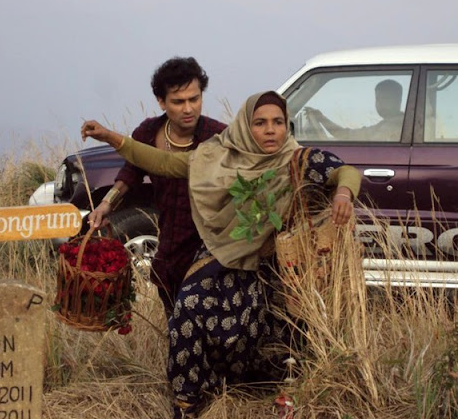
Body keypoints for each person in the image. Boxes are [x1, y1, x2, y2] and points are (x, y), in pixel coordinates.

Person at [81, 91, 361, 419]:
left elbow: (345, 172)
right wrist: (111, 137)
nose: (271, 130)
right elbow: (165, 163)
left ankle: (270, 388)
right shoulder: (222, 156)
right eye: (260, 123)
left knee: (271, 326)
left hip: (274, 265)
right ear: (245, 126)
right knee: (188, 308)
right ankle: (187, 400)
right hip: (223, 251)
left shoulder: (298, 159)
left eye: (278, 122)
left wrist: (343, 194)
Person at [87, 57, 226, 317]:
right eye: (178, 101)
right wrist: (107, 204)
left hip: (207, 251)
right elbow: (132, 170)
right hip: (169, 250)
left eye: (194, 99)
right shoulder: (149, 132)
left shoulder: (217, 137)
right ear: (161, 102)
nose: (188, 109)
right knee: (174, 320)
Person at [305, 78, 404, 141]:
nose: (380, 103)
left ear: (398, 100)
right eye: (378, 99)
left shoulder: (398, 126)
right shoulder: (383, 125)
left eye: (385, 99)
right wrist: (321, 118)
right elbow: (346, 134)